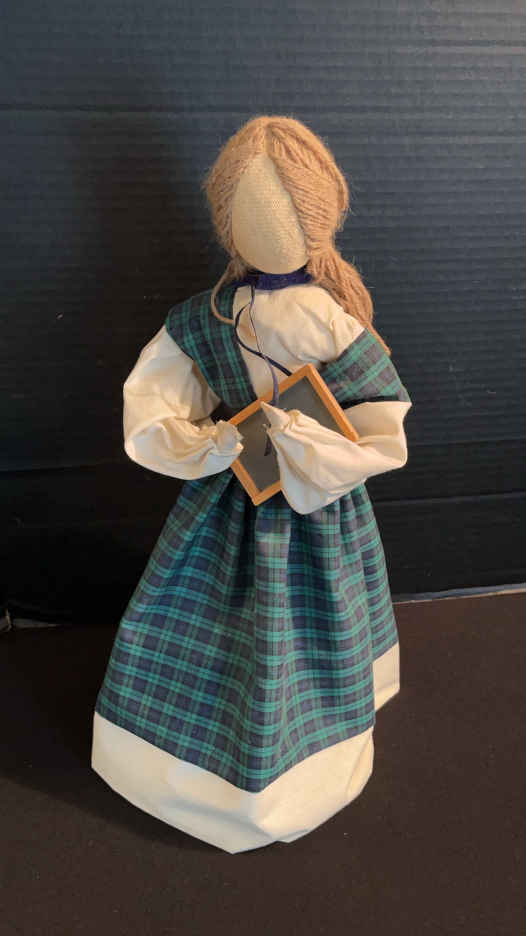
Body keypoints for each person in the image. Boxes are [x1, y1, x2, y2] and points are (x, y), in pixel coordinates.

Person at [91, 115, 412, 853]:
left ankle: (297, 760)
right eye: (250, 212)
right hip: (231, 486)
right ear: (225, 220)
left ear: (319, 218)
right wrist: (206, 444)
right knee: (208, 618)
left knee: (312, 626)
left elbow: (380, 423)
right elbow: (152, 407)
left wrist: (312, 448)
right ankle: (187, 763)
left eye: (286, 213)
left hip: (313, 501)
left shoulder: (330, 321)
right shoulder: (205, 320)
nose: (269, 229)